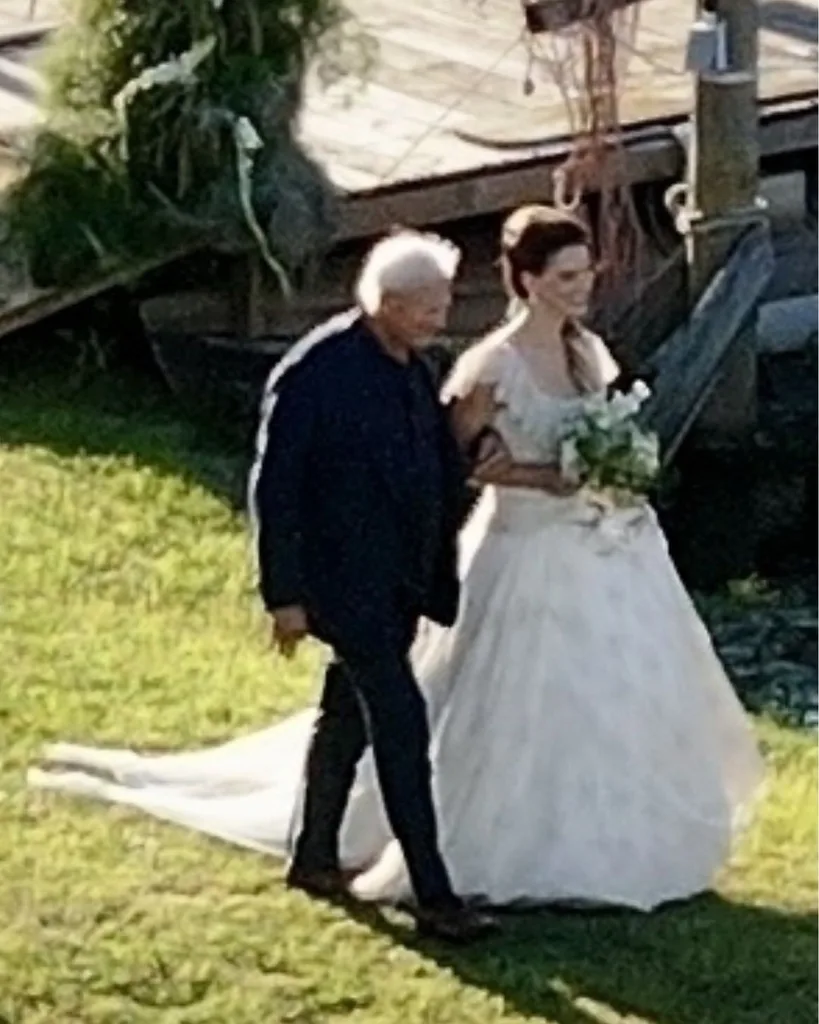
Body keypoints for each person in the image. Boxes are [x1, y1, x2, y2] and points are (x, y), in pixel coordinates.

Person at [30, 207, 764, 914]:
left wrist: (600, 471)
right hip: (383, 568)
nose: (442, 316)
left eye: (584, 274)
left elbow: (446, 456)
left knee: (351, 713)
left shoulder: (451, 362)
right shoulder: (368, 369)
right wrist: (284, 593)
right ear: (529, 279)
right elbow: (295, 482)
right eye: (568, 274)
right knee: (403, 718)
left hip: (524, 554)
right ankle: (434, 887)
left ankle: (317, 849)